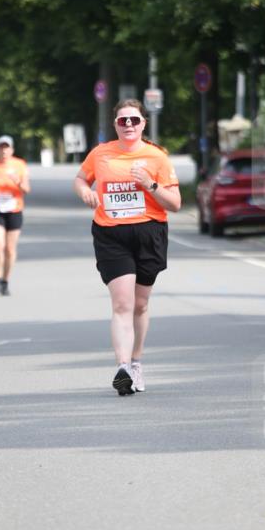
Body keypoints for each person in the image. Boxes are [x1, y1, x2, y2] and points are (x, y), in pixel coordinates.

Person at [74, 99, 181, 396]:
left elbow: (175, 204)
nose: (129, 125)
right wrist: (84, 191)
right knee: (122, 304)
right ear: (115, 125)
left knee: (140, 304)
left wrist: (150, 184)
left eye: (134, 120)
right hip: (111, 234)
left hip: (149, 233)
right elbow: (81, 178)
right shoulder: (101, 153)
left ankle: (136, 362)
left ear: (143, 123)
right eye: (123, 121)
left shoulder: (156, 157)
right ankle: (122, 368)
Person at [0, 135, 30, 295]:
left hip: (14, 210)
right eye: (1, 148)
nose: (4, 150)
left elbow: (26, 189)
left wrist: (18, 181)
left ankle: (5, 281)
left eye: (6, 147)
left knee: (10, 249)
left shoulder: (20, 165)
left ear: (12, 149)